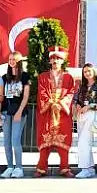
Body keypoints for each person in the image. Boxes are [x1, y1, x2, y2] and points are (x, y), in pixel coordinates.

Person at [35, 46, 76, 178]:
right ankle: (41, 168)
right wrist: (51, 104)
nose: (55, 61)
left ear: (62, 61)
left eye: (58, 59)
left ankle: (64, 168)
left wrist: (60, 104)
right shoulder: (43, 76)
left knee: (63, 141)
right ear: (49, 61)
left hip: (62, 114)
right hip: (47, 113)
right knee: (45, 140)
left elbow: (70, 93)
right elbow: (41, 92)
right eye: (53, 59)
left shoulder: (69, 78)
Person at [0, 51, 30, 178]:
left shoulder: (25, 76)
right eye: (10, 59)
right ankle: (10, 166)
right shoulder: (4, 77)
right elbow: (1, 97)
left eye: (14, 59)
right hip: (6, 111)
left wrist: (19, 111)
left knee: (15, 140)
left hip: (19, 112)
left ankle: (19, 167)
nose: (12, 61)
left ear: (19, 61)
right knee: (6, 141)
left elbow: (26, 96)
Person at [75, 63, 97, 179]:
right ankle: (91, 168)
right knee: (84, 141)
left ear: (93, 72)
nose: (87, 73)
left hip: (92, 114)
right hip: (81, 115)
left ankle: (85, 168)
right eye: (85, 72)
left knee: (83, 141)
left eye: (89, 71)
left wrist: (89, 107)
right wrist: (77, 106)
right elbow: (76, 99)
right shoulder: (81, 86)